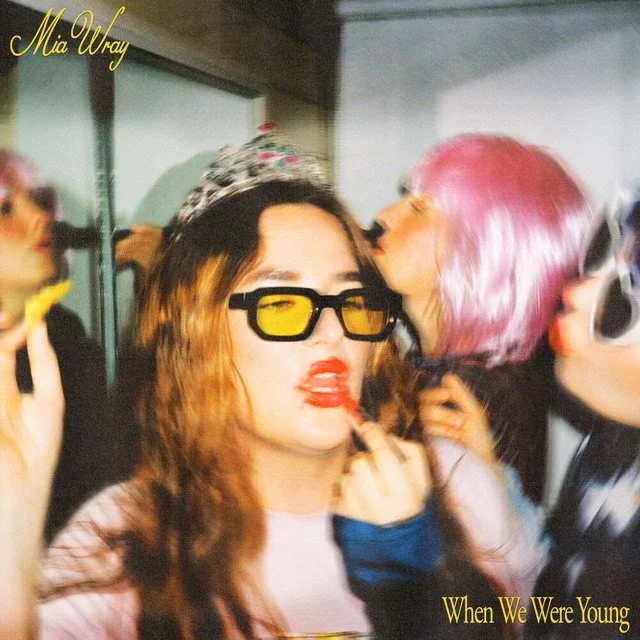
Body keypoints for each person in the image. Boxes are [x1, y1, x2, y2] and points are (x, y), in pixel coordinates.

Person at [0, 132, 430, 639]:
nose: (333, 332)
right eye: (281, 303)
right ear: (200, 335)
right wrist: (12, 534)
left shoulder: (453, 492)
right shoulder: (122, 540)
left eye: (351, 300)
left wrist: (424, 588)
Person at [335, 134, 592, 639]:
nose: (386, 215)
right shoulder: (452, 369)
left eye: (419, 207)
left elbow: (481, 605)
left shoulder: (471, 391)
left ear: (482, 247)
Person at [0, 150, 134, 543]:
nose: (40, 218)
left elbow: (105, 489)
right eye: (6, 209)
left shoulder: (68, 344)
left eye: (40, 201)